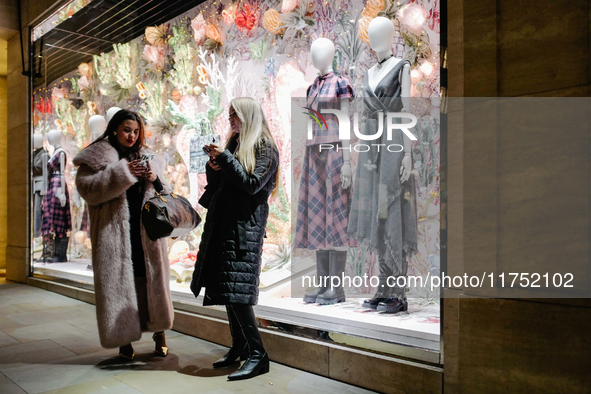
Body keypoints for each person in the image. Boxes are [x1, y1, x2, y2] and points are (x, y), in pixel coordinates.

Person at [73, 110, 174, 360]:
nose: (132, 135)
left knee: (150, 281)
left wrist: (155, 179)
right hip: (113, 233)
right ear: (115, 128)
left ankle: (159, 332)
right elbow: (88, 189)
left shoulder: (150, 156)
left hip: (146, 233)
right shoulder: (96, 157)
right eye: (127, 129)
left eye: (136, 131)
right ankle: (124, 338)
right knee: (121, 283)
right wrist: (123, 172)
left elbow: (166, 194)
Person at [190, 97, 280, 381]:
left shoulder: (264, 146)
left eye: (235, 114)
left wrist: (226, 160)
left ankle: (258, 354)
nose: (230, 118)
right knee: (229, 289)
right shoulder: (234, 144)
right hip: (226, 225)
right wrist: (215, 166)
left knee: (239, 294)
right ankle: (240, 347)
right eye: (229, 114)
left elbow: (252, 186)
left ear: (248, 116)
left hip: (244, 228)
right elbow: (220, 185)